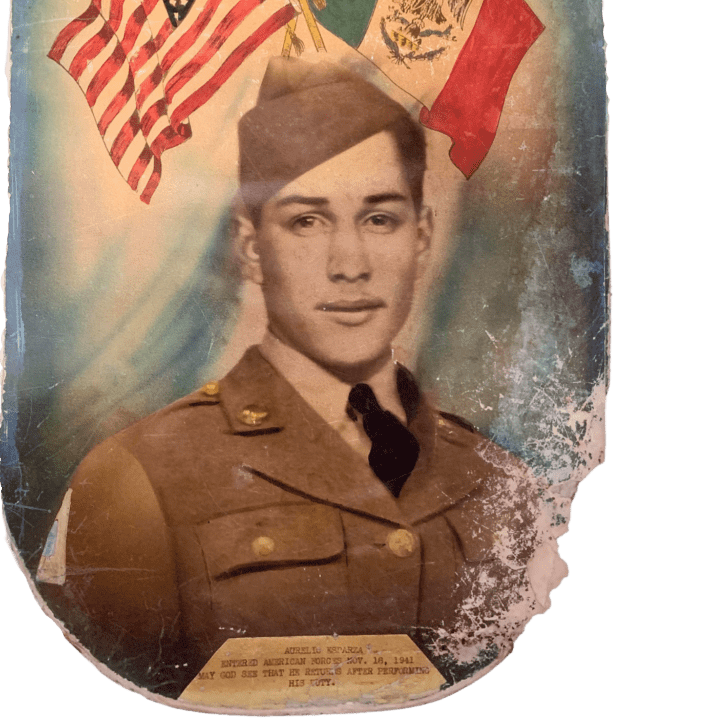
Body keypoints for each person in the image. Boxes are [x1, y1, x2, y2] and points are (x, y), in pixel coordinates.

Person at [36, 58, 539, 697]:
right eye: (307, 221)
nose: (349, 264)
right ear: (250, 248)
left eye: (379, 218)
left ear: (422, 237)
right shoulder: (138, 480)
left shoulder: (501, 483)